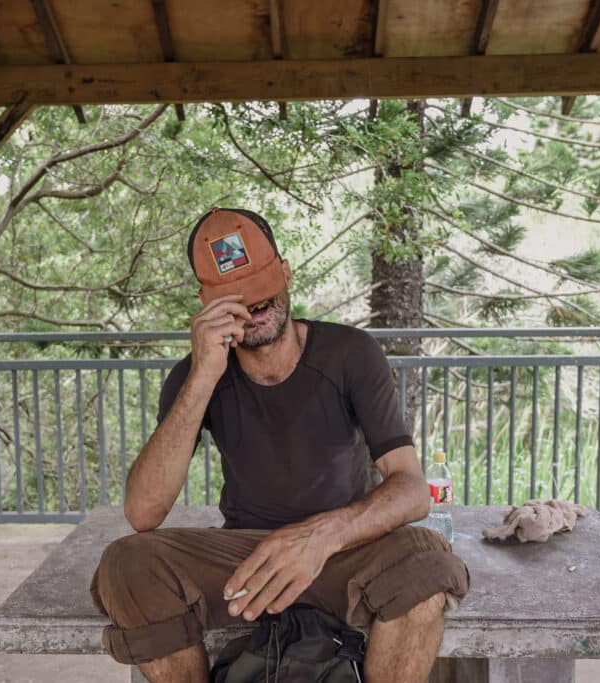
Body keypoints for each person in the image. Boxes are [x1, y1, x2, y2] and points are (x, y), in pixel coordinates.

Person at [90, 208, 470, 682]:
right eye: (236, 298)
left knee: (428, 559)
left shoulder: (351, 354)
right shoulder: (193, 376)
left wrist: (320, 537)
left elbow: (411, 489)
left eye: (261, 288)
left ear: (285, 272)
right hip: (244, 562)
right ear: (207, 304)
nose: (254, 306)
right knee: (128, 562)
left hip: (345, 552)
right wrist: (205, 373)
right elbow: (143, 512)